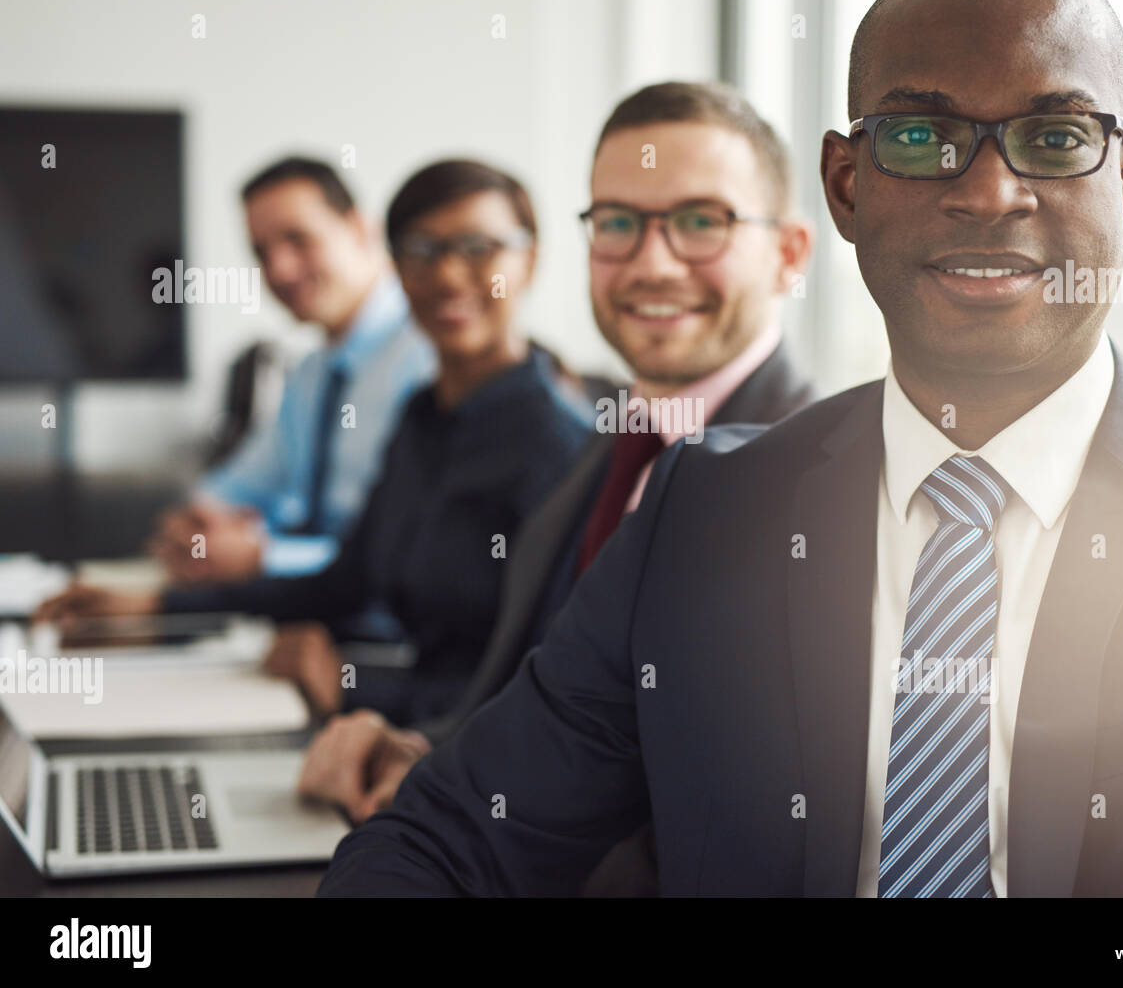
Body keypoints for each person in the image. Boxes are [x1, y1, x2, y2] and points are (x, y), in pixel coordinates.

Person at [317, 0, 1123, 898]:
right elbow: (455, 837)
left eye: (1054, 138)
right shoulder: (703, 512)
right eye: (920, 139)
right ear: (844, 188)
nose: (990, 192)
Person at [295, 84, 818, 886]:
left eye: (701, 220)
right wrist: (427, 749)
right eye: (617, 222)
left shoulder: (815, 491)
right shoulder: (603, 452)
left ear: (787, 254)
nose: (651, 262)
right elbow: (558, 715)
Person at [36, 160, 592, 724]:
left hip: (442, 744)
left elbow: (545, 694)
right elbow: (345, 581)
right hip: (388, 711)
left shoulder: (562, 449)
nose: (448, 275)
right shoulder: (422, 418)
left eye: (479, 247)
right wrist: (160, 606)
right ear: (396, 264)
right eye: (422, 250)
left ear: (531, 258)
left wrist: (352, 689)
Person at [151, 156, 435, 584]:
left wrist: (265, 557)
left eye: (298, 239)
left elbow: (408, 549)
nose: (279, 269)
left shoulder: (432, 358)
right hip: (311, 614)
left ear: (360, 229)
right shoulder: (311, 375)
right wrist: (192, 525)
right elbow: (234, 487)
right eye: (262, 252)